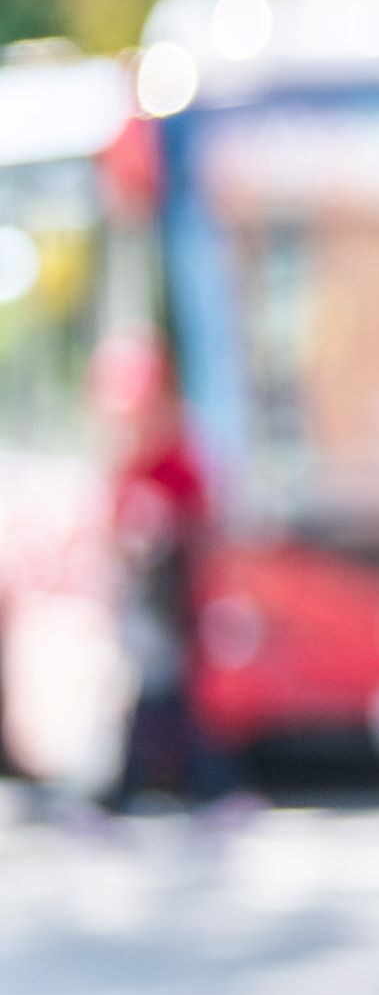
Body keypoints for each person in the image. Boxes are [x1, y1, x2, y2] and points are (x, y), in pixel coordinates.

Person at [99, 336, 229, 807]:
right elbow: (113, 527)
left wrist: (169, 531)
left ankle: (198, 782)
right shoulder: (131, 462)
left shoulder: (181, 458)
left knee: (171, 691)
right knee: (153, 689)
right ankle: (152, 781)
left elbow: (204, 522)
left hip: (174, 593)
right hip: (142, 596)